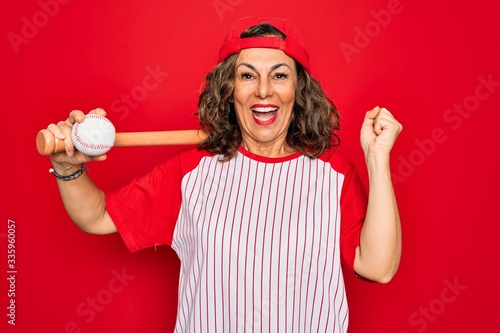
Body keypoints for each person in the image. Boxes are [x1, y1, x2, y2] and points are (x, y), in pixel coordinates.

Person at [45, 17, 402, 333]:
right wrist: (68, 168)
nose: (264, 90)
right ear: (229, 90)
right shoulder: (192, 173)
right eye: (247, 75)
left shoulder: (333, 174)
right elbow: (96, 216)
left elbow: (378, 267)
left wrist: (377, 157)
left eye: (279, 75)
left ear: (299, 90)